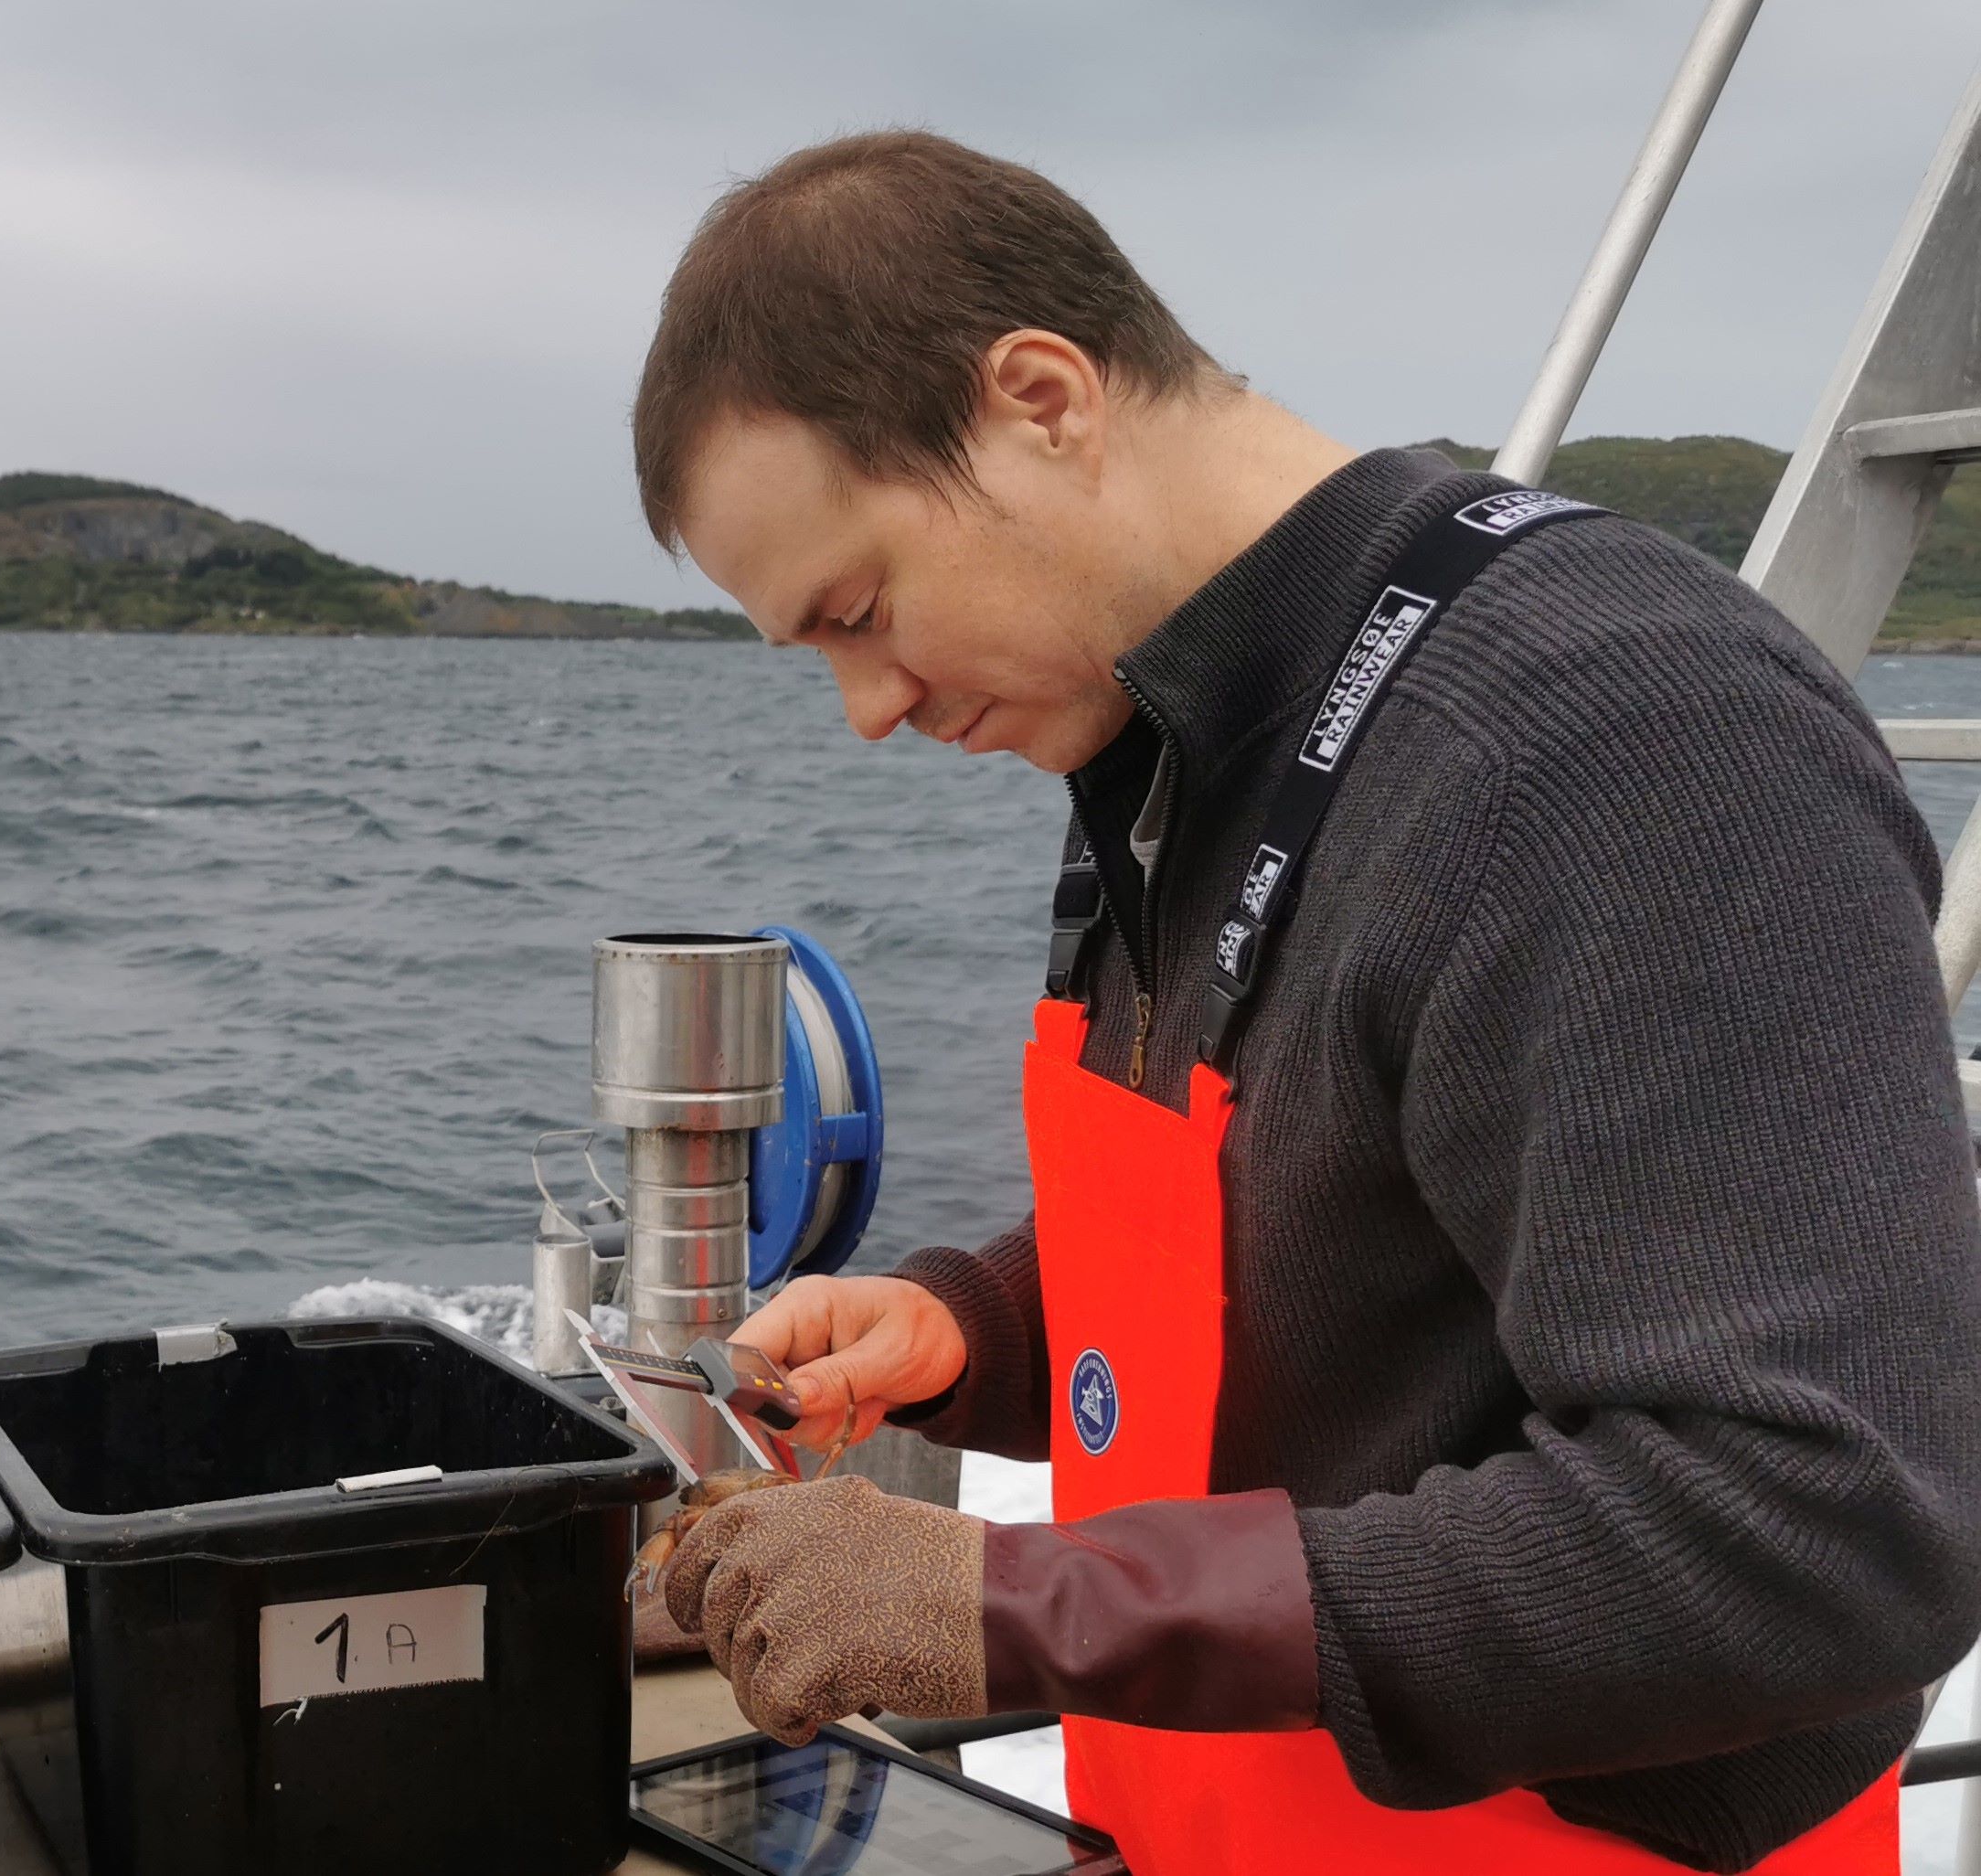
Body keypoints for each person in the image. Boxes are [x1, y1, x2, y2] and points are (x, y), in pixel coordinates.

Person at [634, 131, 1981, 1874]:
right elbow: (1357, 1238)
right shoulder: (1170, 736)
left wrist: (1025, 1597)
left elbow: (1824, 1533)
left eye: (864, 610)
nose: (866, 708)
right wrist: (978, 1323)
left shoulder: (1622, 735)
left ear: (1041, 398)